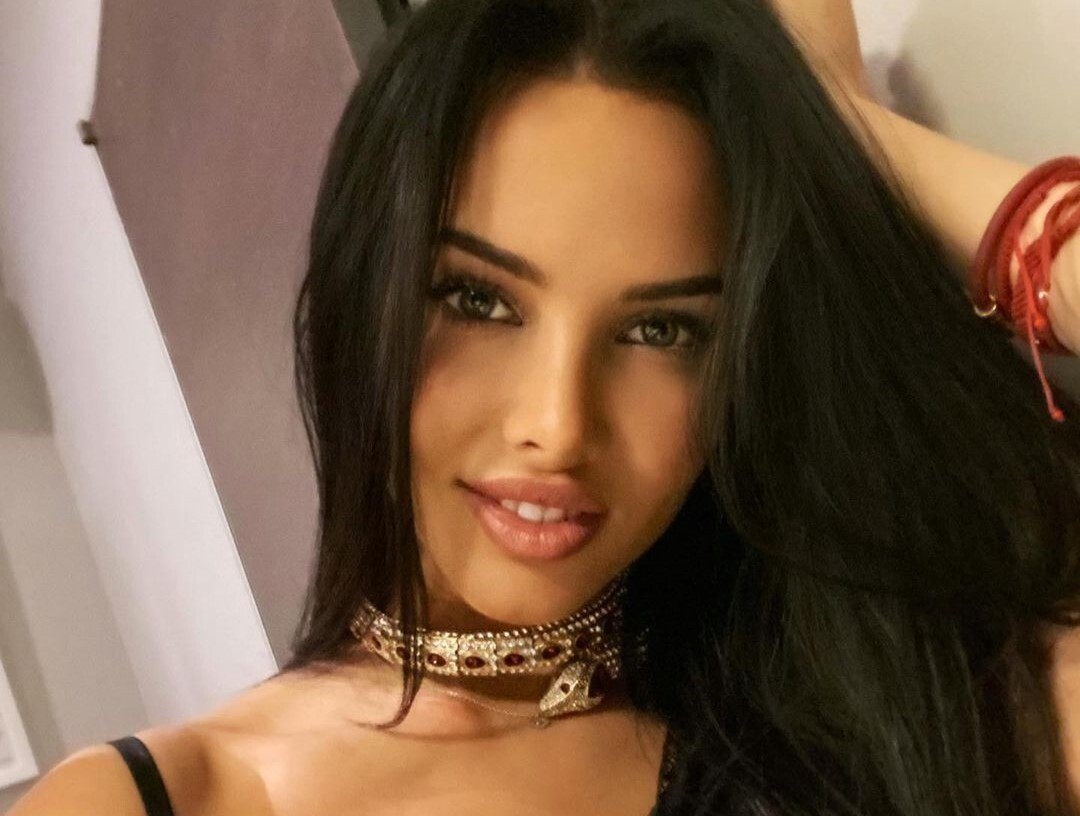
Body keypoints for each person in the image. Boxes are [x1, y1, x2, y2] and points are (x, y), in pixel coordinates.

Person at [10, 0, 1080, 814]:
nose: (559, 426)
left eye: (663, 332)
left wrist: (839, 131)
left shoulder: (870, 697)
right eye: (478, 299)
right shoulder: (159, 801)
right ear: (362, 291)